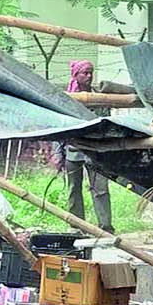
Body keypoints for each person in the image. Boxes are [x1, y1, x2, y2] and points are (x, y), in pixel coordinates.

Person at [63, 60, 115, 230]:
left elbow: (107, 121)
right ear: (76, 75)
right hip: (74, 151)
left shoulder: (99, 96)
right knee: (73, 189)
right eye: (84, 73)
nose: (89, 76)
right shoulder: (68, 98)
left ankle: (105, 228)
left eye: (91, 72)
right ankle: (76, 226)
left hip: (95, 151)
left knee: (100, 189)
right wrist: (58, 153)